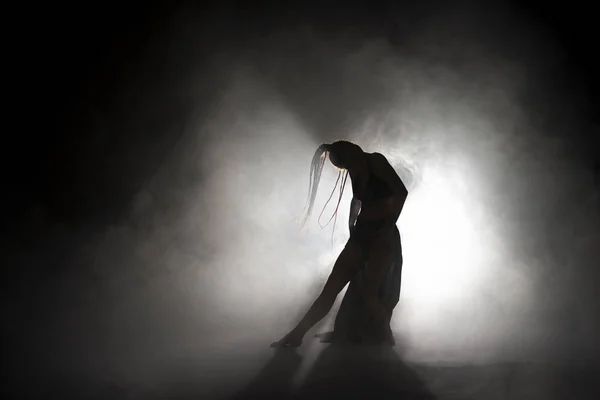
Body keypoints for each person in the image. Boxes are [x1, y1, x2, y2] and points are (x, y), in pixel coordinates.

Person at [271, 140, 408, 347]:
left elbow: (401, 192)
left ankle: (385, 335)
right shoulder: (355, 169)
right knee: (330, 290)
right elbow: (357, 199)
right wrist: (352, 224)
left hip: (382, 236)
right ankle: (297, 335)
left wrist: (388, 224)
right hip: (362, 234)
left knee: (371, 293)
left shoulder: (375, 161)